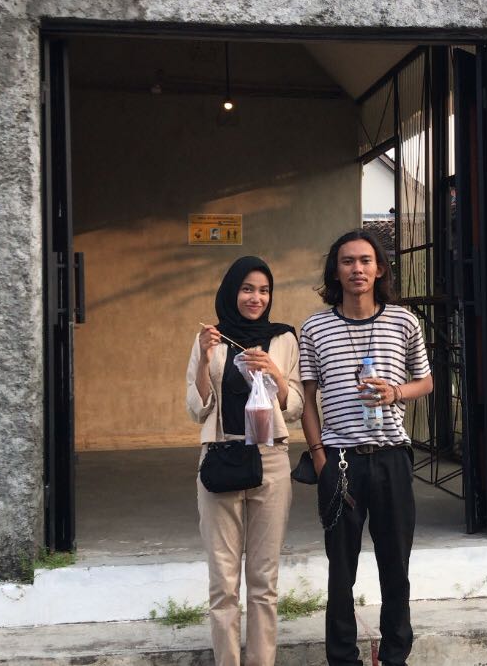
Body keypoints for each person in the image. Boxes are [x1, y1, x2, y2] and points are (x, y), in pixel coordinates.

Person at [299, 230, 433, 666]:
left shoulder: (404, 321)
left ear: (379, 269)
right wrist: (319, 456)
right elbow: (307, 398)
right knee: (341, 571)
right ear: (335, 272)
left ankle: (395, 656)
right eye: (347, 261)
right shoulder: (315, 328)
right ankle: (342, 658)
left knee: (396, 566)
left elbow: (426, 381)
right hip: (340, 462)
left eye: (365, 260)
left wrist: (396, 392)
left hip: (392, 456)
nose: (357, 269)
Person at [186, 256, 304, 666]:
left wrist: (275, 373)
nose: (256, 298)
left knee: (263, 580)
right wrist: (205, 359)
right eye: (247, 289)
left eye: (264, 290)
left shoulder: (284, 339)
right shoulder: (210, 339)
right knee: (223, 582)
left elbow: (295, 407)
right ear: (231, 291)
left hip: (270, 459)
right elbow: (196, 408)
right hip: (221, 456)